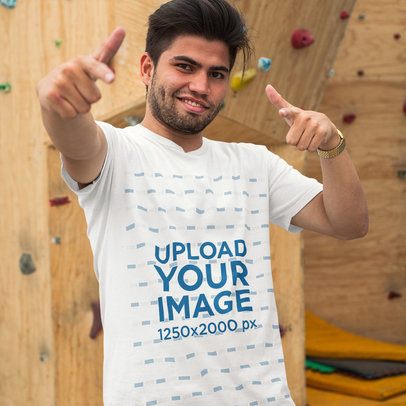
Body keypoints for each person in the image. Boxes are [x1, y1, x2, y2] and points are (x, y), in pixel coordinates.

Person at [37, 0, 368, 405]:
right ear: (147, 68)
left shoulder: (254, 164)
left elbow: (349, 223)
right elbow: (75, 136)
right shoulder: (114, 153)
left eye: (216, 74)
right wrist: (56, 103)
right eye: (185, 66)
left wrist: (333, 145)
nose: (200, 86)